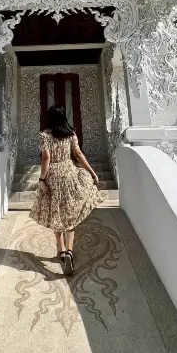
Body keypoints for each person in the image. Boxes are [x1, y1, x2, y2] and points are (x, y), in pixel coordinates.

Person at [29, 105, 103, 275]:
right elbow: (78, 154)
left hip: (53, 176)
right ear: (64, 117)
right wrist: (92, 172)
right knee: (70, 212)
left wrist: (42, 179)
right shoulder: (71, 133)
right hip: (69, 172)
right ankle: (70, 250)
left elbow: (46, 157)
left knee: (57, 213)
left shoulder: (44, 135)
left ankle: (61, 251)